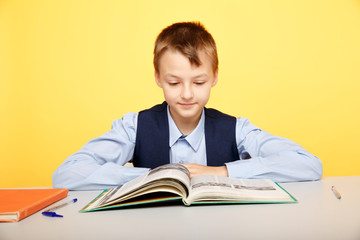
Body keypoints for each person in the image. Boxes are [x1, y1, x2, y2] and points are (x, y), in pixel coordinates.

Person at [52, 22, 322, 190]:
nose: (187, 94)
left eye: (199, 82)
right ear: (158, 78)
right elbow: (66, 174)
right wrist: (154, 178)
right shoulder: (134, 126)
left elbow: (308, 165)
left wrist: (224, 171)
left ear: (214, 77)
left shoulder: (237, 129)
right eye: (174, 82)